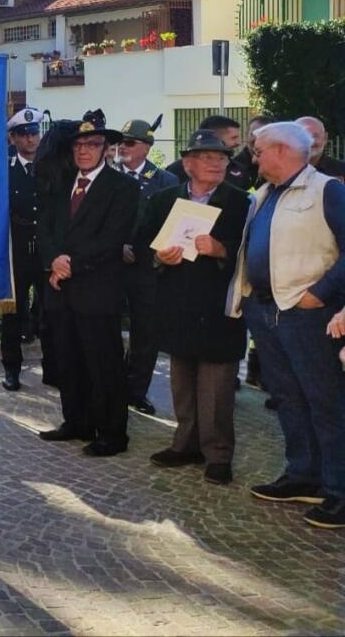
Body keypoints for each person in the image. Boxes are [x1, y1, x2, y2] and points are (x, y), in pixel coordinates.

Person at [228, 121, 345, 529]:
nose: (253, 158)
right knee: (289, 399)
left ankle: (339, 491)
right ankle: (302, 475)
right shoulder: (264, 195)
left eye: (258, 151)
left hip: (308, 313)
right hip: (267, 312)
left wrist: (323, 291)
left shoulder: (327, 190)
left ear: (281, 151)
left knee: (325, 402)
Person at [139, 130, 250, 485]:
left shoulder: (241, 203)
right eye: (207, 157)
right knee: (182, 382)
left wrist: (221, 250)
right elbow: (141, 244)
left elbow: (252, 253)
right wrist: (158, 257)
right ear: (187, 164)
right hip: (177, 304)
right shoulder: (162, 200)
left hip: (218, 307)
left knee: (217, 386)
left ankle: (218, 454)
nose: (217, 163)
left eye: (221, 158)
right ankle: (185, 443)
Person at [36, 111, 138, 457]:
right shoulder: (61, 183)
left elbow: (112, 239)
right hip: (61, 289)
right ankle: (77, 422)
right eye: (78, 145)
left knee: (103, 364)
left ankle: (112, 433)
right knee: (68, 360)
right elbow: (45, 229)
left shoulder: (122, 187)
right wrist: (53, 260)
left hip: (97, 291)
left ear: (105, 148)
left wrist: (71, 264)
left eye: (92, 144)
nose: (84, 151)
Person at [114, 118, 179, 415]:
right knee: (107, 329)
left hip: (147, 269)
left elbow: (171, 225)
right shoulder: (107, 176)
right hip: (110, 266)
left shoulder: (164, 181)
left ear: (147, 147)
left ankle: (136, 391)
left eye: (129, 143)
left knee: (145, 334)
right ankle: (110, 385)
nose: (122, 148)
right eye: (119, 143)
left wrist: (148, 253)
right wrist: (118, 246)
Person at [2, 107, 44, 391]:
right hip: (14, 246)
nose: (31, 139)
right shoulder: (4, 171)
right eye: (24, 134)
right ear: (13, 138)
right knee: (12, 313)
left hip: (45, 246)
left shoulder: (51, 168)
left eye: (34, 133)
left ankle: (53, 366)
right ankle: (11, 370)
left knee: (51, 311)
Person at [166, 114, 246, 185]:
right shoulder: (175, 171)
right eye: (234, 138)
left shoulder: (238, 170)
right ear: (214, 137)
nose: (239, 142)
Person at [297, 116, 345, 181]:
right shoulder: (280, 170)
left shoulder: (342, 170)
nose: (310, 142)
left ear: (325, 138)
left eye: (315, 136)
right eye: (303, 136)